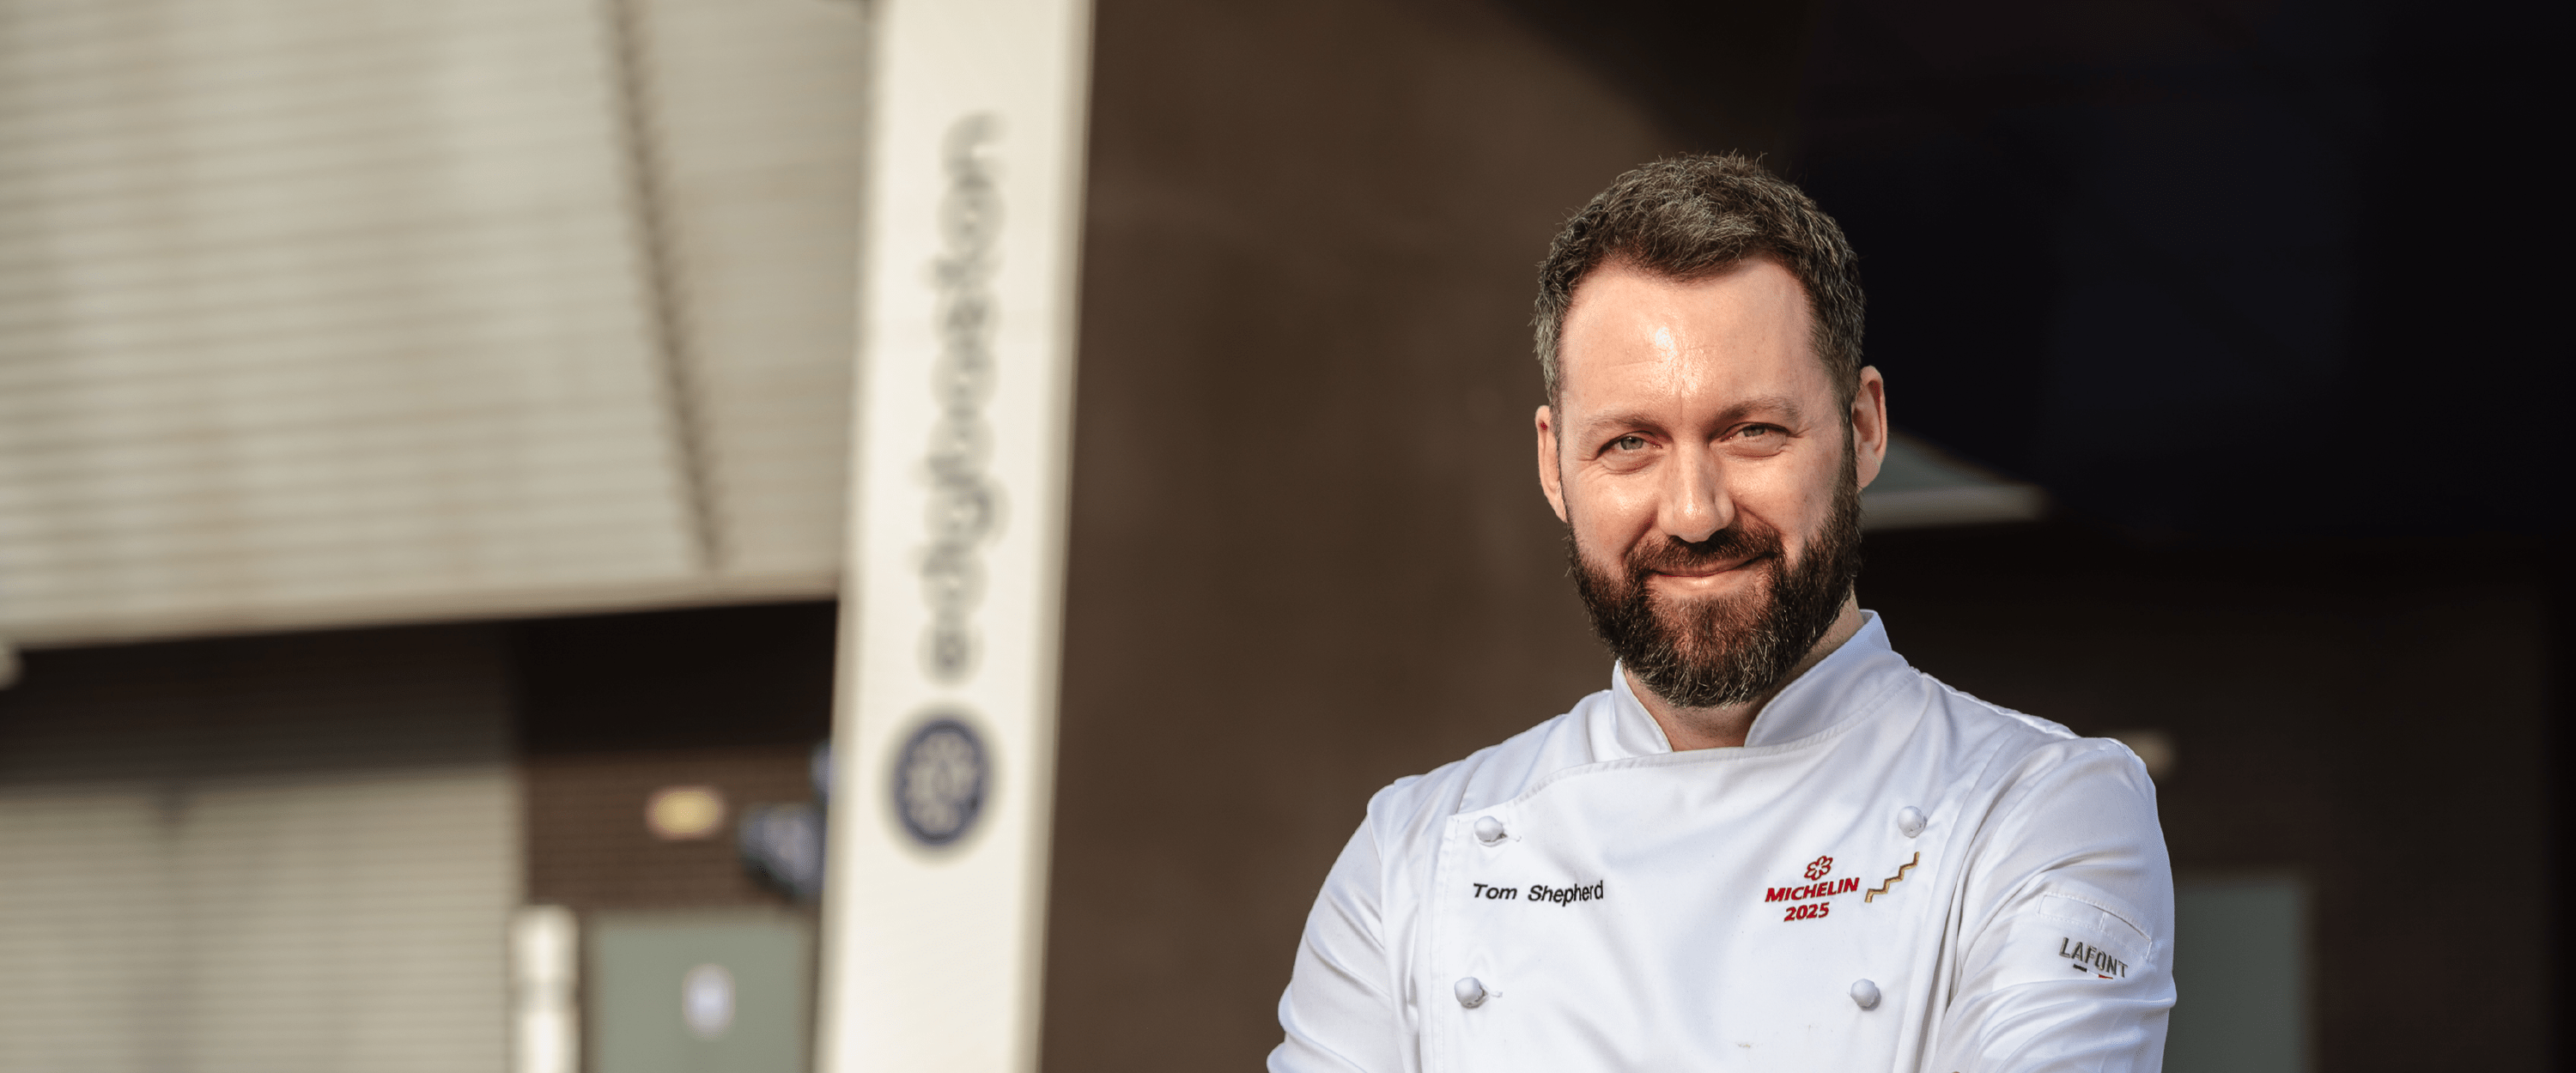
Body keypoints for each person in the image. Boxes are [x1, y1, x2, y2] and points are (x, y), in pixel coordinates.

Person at [1268, 155, 2173, 1071]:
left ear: (1863, 429)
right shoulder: (1415, 856)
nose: (1695, 512)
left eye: (1753, 433)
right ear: (1554, 466)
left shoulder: (2040, 811)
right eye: (1630, 443)